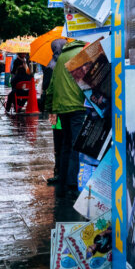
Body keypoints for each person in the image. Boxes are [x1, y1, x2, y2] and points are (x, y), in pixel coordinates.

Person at [47, 39, 87, 195]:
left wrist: (50, 108)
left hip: (61, 106)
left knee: (65, 144)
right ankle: (72, 183)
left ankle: (63, 178)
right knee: (76, 145)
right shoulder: (81, 54)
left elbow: (52, 85)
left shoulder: (61, 57)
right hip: (77, 105)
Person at [42, 39, 68, 185]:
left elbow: (46, 87)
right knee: (66, 140)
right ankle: (63, 171)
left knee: (57, 141)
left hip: (54, 108)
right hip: (66, 107)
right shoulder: (67, 61)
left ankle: (58, 170)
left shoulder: (50, 65)